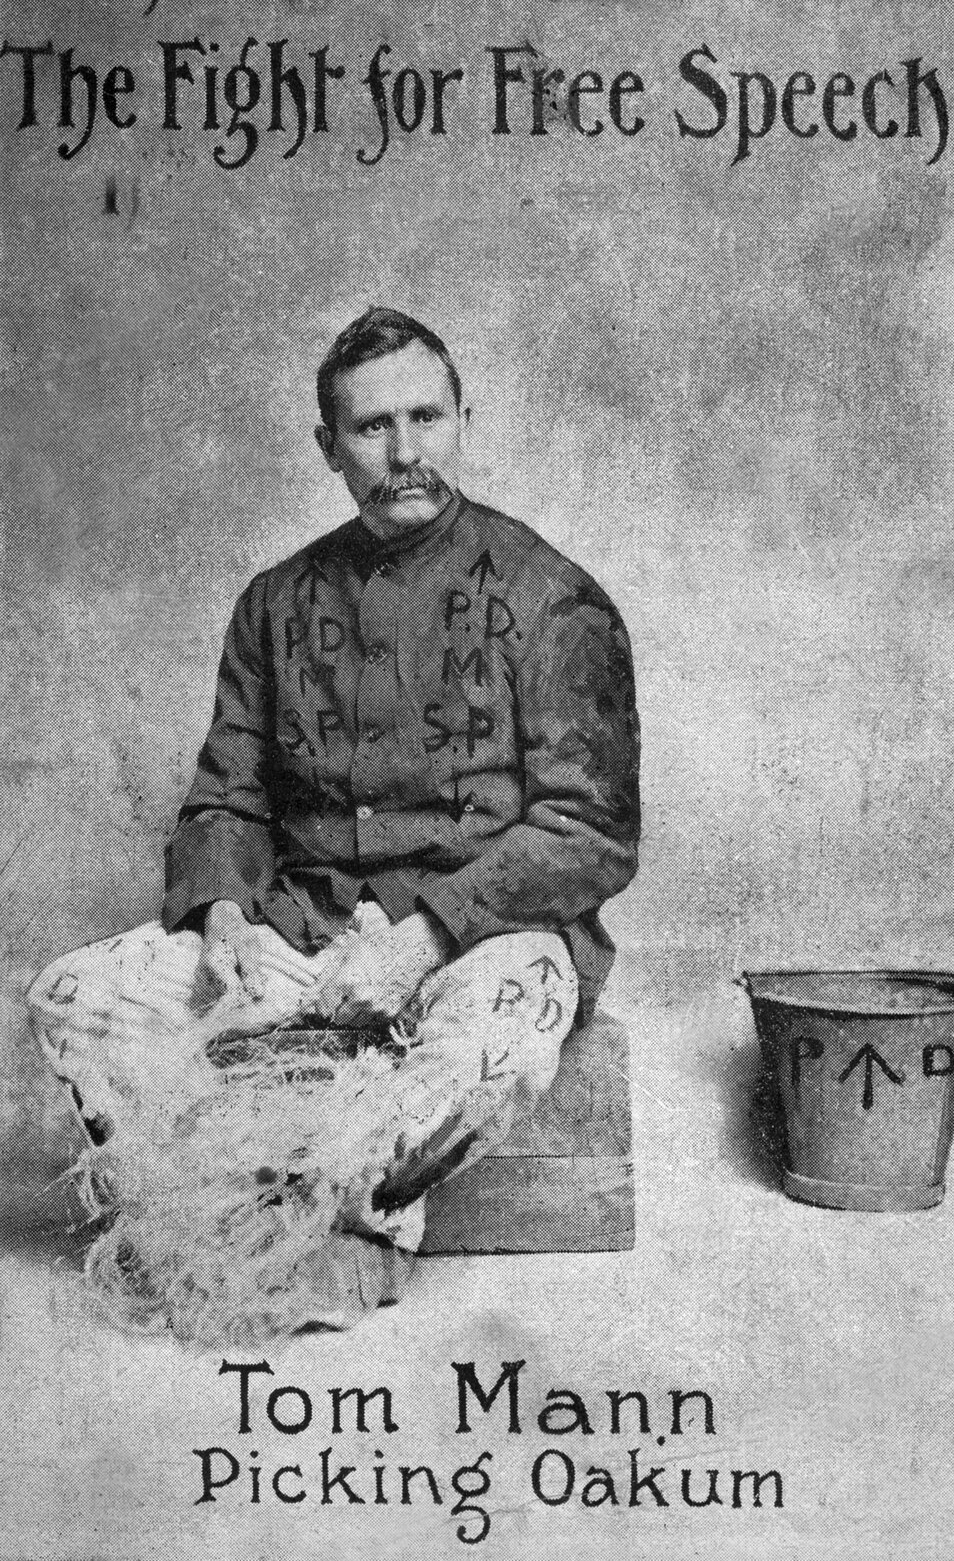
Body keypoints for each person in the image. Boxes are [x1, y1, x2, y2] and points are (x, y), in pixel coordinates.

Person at [28, 306, 641, 1277]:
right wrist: (227, 923)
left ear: (463, 420)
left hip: (476, 941)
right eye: (371, 427)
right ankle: (228, 1206)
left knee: (504, 1025)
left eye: (426, 418)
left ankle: (303, 1229)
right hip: (301, 934)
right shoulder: (275, 602)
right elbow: (226, 796)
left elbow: (590, 831)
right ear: (329, 445)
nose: (404, 452)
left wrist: (422, 940)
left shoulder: (550, 596)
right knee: (72, 995)